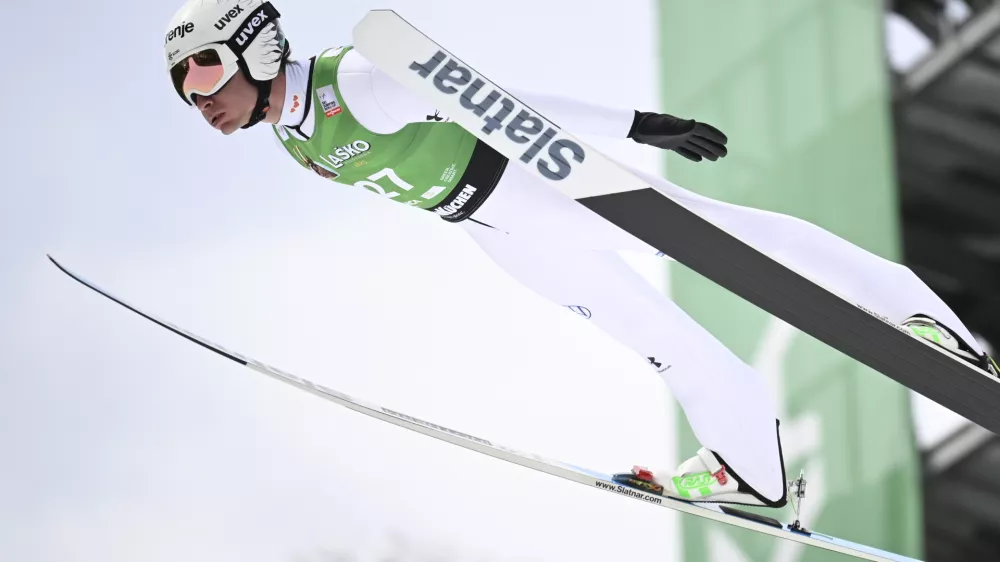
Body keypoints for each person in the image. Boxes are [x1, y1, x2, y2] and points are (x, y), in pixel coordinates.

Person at [163, 0, 997, 507]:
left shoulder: (361, 81)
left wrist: (633, 126)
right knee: (656, 340)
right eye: (185, 94)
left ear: (254, 47)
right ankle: (754, 475)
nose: (201, 104)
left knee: (734, 238)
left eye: (203, 79)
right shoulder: (295, 143)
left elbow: (499, 101)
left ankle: (920, 319)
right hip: (496, 232)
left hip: (535, 180)